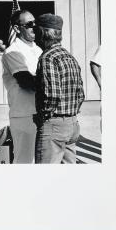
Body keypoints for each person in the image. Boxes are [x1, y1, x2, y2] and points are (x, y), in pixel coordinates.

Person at [33, 14, 85, 164]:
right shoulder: (69, 57)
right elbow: (80, 94)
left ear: (43, 33)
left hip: (54, 125)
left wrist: (43, 116)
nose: (35, 36)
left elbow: (52, 96)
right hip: (72, 124)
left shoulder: (47, 58)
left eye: (36, 32)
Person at [1, 10, 42, 164]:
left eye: (35, 23)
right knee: (25, 162)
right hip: (25, 116)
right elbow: (26, 82)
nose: (34, 27)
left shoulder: (39, 50)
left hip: (42, 114)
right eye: (29, 24)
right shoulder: (12, 52)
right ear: (17, 29)